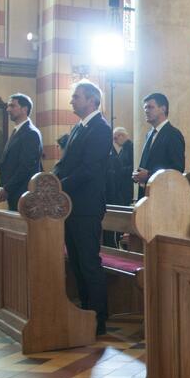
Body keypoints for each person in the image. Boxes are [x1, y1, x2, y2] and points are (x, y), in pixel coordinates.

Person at [53, 81, 113, 335]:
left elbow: (90, 169)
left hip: (86, 206)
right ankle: (85, 311)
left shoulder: (100, 129)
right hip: (71, 205)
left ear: (91, 100)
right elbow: (65, 163)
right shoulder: (79, 127)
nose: (72, 101)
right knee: (76, 262)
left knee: (88, 262)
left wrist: (60, 186)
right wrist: (52, 180)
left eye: (76, 97)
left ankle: (98, 318)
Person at [0, 93, 42, 211]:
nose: (8, 109)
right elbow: (9, 163)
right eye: (8, 106)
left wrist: (7, 188)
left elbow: (25, 166)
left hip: (23, 194)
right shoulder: (18, 131)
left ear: (24, 109)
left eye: (12, 106)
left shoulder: (31, 133)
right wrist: (2, 187)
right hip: (14, 193)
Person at [133, 93, 185, 199]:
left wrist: (149, 175)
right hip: (146, 194)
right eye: (145, 108)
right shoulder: (149, 134)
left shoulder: (173, 134)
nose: (146, 111)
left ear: (163, 109)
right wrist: (138, 174)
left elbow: (177, 169)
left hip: (162, 196)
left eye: (150, 107)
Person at [107, 127, 134, 206]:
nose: (114, 141)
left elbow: (134, 167)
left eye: (115, 138)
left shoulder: (130, 148)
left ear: (121, 136)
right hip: (122, 186)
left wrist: (119, 170)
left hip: (127, 186)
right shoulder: (124, 148)